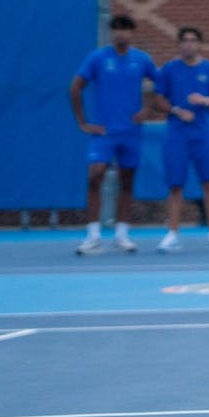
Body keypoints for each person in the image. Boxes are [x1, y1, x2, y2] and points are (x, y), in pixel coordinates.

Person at [69, 15, 159, 255]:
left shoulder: (140, 60)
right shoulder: (98, 58)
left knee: (127, 180)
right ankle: (93, 235)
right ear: (112, 33)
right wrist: (83, 122)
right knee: (95, 174)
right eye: (117, 29)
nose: (122, 34)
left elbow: (161, 85)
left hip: (131, 132)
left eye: (126, 30)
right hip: (104, 132)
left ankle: (122, 234)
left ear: (132, 33)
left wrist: (147, 109)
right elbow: (76, 86)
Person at [153, 27, 209, 253]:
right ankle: (172, 233)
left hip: (203, 134)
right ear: (179, 44)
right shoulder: (169, 69)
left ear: (199, 44)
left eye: (193, 40)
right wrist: (177, 110)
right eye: (184, 41)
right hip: (177, 135)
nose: (189, 44)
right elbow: (158, 101)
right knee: (175, 185)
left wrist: (205, 101)